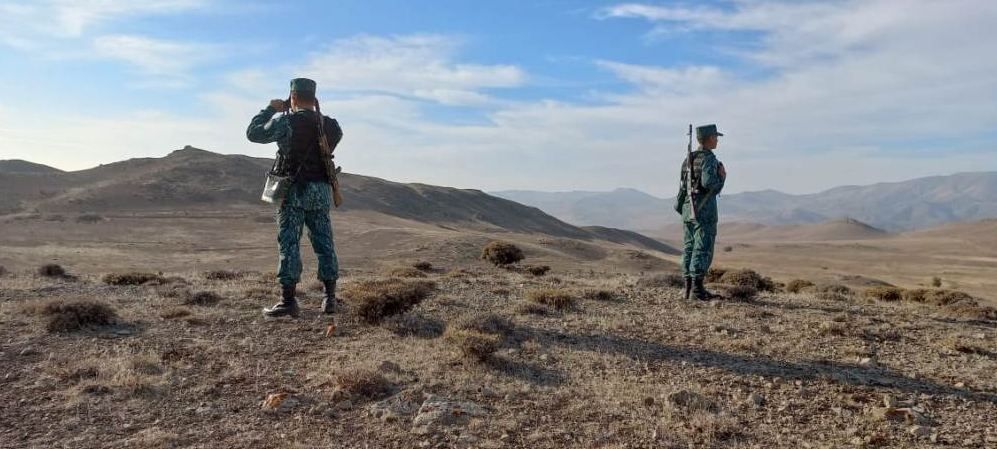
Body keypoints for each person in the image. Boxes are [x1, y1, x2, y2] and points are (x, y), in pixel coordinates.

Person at [246, 78, 343, 317]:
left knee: (289, 244)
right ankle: (330, 299)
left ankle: (288, 301)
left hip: (293, 191)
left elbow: (253, 133)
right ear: (314, 98)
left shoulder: (286, 122)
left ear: (294, 97)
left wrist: (271, 109)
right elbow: (330, 145)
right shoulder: (331, 125)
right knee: (324, 243)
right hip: (320, 191)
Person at [675, 124, 726, 301]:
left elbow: (683, 184)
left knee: (689, 246)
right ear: (709, 138)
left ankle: (687, 289)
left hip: (688, 208)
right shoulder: (709, 159)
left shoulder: (688, 158)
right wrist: (722, 177)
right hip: (703, 210)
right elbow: (710, 184)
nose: (717, 140)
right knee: (702, 247)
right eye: (715, 137)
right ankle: (697, 291)